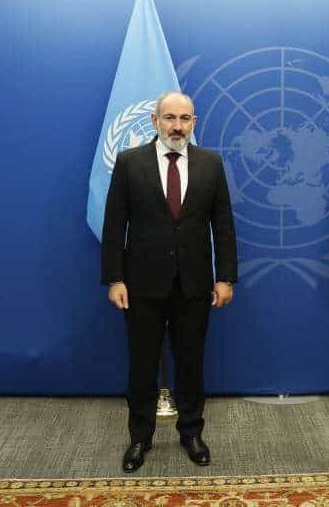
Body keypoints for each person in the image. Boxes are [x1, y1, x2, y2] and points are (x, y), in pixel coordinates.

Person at [101, 91, 237, 471]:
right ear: (155, 121)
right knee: (142, 365)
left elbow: (223, 225)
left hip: (194, 284)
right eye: (170, 118)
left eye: (184, 119)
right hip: (141, 285)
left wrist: (226, 277)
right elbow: (114, 225)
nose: (177, 126)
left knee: (191, 363)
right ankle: (140, 438)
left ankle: (191, 432)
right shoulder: (129, 162)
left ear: (194, 122)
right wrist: (114, 279)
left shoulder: (211, 163)